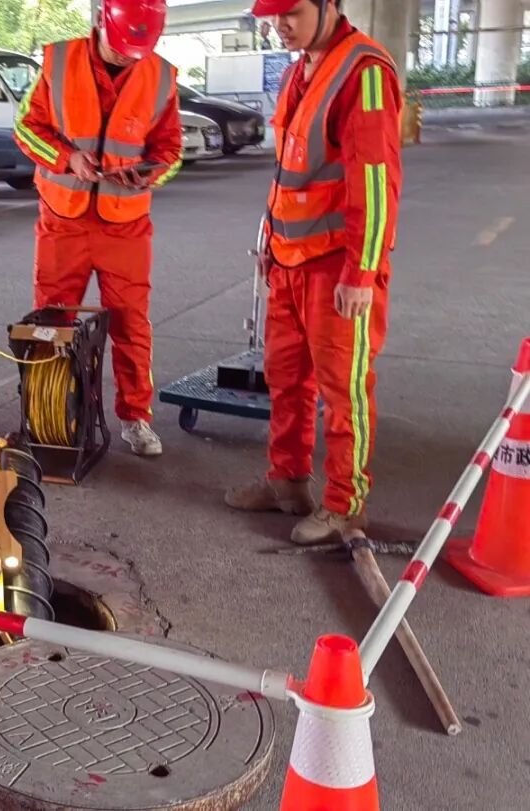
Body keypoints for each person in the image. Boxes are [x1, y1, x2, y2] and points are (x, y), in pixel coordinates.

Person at [225, 0, 403, 545]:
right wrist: (271, 239)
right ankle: (287, 482)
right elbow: (292, 171)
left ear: (331, 6)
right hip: (289, 260)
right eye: (272, 14)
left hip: (335, 267)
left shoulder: (364, 72)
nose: (280, 24)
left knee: (344, 390)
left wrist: (361, 271)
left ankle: (345, 506)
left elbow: (375, 182)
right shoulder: (303, 66)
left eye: (291, 12)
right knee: (286, 380)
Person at [13, 0, 183, 457]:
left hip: (125, 224)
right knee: (53, 321)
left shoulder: (162, 77)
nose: (130, 57)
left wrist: (149, 172)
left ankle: (135, 417)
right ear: (100, 23)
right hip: (63, 218)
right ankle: (51, 418)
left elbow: (171, 150)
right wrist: (66, 158)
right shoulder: (58, 61)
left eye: (139, 50)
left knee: (131, 325)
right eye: (123, 48)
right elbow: (25, 129)